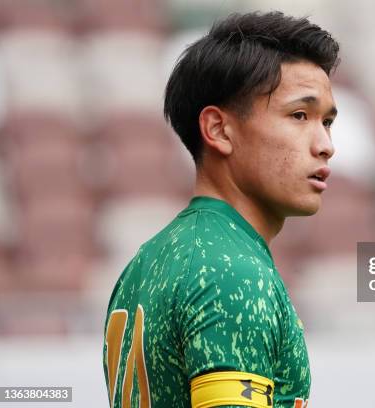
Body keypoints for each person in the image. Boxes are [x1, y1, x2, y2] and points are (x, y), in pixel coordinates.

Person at [102, 11, 340, 408]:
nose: (325, 144)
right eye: (300, 115)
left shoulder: (147, 261)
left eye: (328, 121)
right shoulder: (232, 271)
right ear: (218, 129)